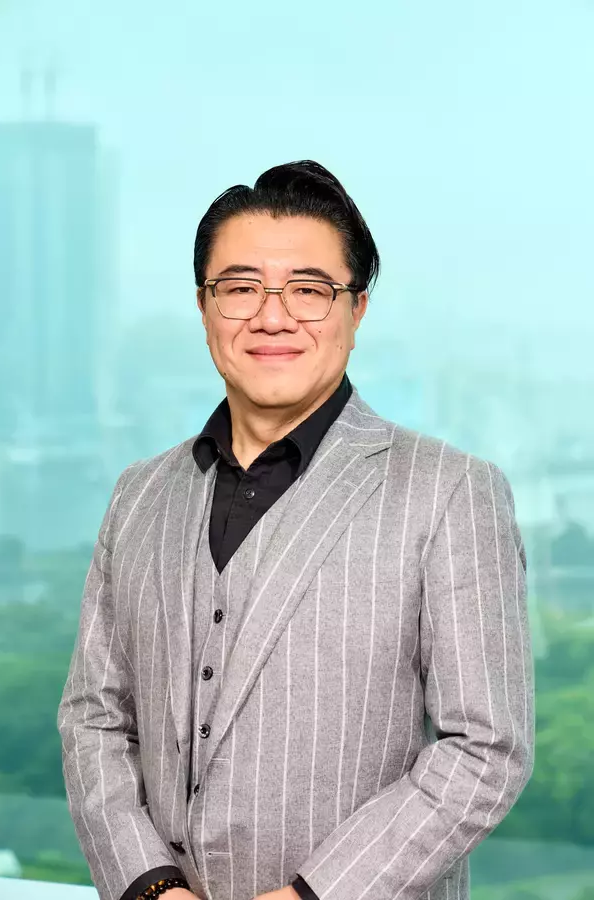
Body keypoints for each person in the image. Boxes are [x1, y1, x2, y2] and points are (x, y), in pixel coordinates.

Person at [57, 160, 535, 900]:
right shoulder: (139, 493)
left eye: (309, 290)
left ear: (357, 309)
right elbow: (95, 717)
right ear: (204, 305)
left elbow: (486, 747)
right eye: (240, 288)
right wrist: (150, 886)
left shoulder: (449, 491)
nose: (272, 317)